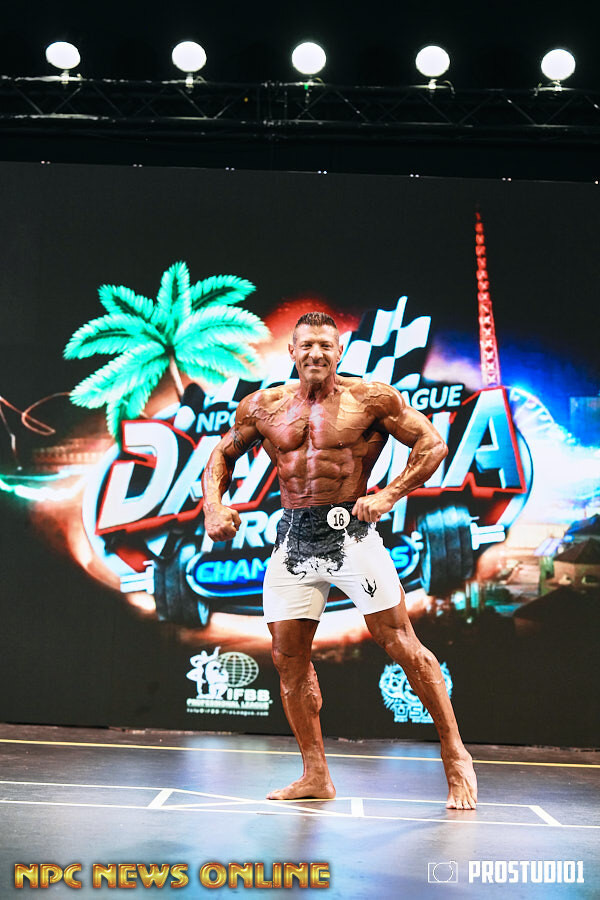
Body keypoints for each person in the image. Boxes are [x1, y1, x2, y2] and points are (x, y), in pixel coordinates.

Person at [201, 312, 477, 810]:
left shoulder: (370, 399)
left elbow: (432, 443)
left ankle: (456, 755)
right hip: (293, 539)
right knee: (288, 658)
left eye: (325, 346)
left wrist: (389, 494)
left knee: (400, 642)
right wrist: (214, 507)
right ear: (292, 351)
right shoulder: (263, 406)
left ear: (339, 352)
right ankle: (315, 774)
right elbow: (221, 455)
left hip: (352, 534)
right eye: (307, 345)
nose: (316, 354)